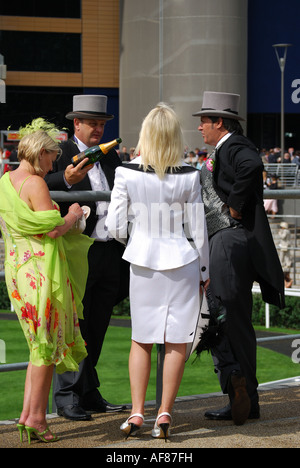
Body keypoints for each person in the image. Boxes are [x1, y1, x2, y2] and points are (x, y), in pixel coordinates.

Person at [106, 103, 210, 440]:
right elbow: (198, 230)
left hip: (143, 259)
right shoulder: (190, 175)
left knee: (142, 338)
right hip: (182, 259)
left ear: (146, 134)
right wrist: (205, 270)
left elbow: (114, 225)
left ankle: (137, 412)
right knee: (176, 340)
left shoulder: (125, 173)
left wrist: (135, 240)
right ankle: (164, 413)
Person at [193, 91, 285, 425]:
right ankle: (244, 396)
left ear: (219, 122)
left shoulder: (234, 145)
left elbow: (252, 166)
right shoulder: (223, 149)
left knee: (225, 317)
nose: (200, 127)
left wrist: (234, 204)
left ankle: (239, 393)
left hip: (229, 241)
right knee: (232, 319)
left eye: (204, 121)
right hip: (229, 242)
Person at [0, 118, 93, 444]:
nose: (55, 162)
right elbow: (51, 230)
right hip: (41, 274)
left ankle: (28, 415)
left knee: (38, 346)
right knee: (45, 348)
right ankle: (37, 419)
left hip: (19, 272)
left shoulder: (6, 180)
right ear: (40, 153)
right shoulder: (35, 184)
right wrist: (73, 214)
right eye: (52, 156)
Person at [45, 95, 128, 421]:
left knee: (97, 325)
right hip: (76, 249)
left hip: (108, 250)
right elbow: (43, 182)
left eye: (103, 123)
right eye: (92, 122)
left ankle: (88, 392)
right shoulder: (62, 152)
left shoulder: (112, 156)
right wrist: (67, 179)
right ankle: (66, 396)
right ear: (75, 123)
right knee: (72, 325)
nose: (99, 128)